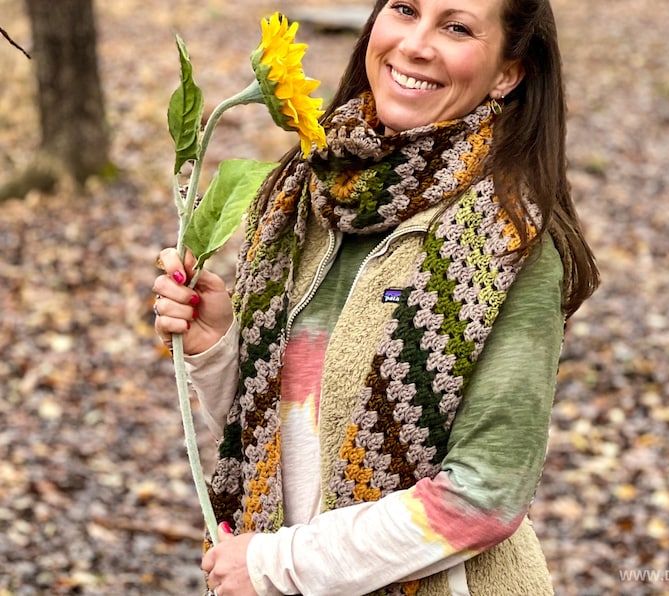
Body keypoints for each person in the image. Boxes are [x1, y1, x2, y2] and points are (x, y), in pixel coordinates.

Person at [153, 0, 599, 594]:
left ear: (507, 72)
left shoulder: (507, 241)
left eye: (457, 26)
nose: (415, 43)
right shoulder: (305, 198)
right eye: (405, 9)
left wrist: (277, 566)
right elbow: (284, 429)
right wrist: (216, 346)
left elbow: (484, 494)